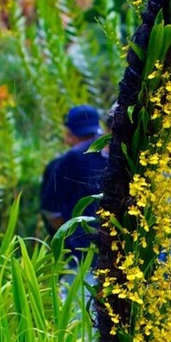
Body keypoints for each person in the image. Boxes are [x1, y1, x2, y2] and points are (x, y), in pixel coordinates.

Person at [40, 105, 108, 274]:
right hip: (106, 252)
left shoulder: (68, 159)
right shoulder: (109, 154)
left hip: (77, 258)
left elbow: (50, 210)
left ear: (69, 134)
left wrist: (72, 239)